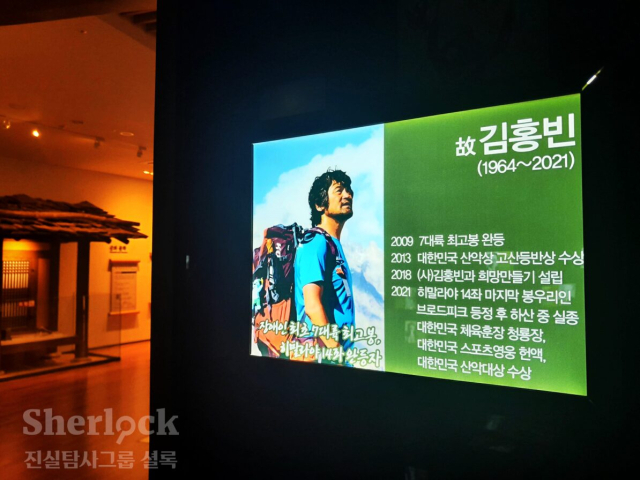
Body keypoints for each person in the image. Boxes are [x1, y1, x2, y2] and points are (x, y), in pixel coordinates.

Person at [294, 169, 355, 358]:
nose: (348, 195)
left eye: (349, 190)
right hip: (323, 357)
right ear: (320, 205)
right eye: (339, 190)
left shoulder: (333, 244)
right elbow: (312, 306)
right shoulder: (315, 242)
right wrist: (336, 351)